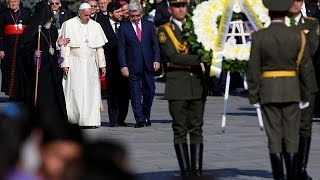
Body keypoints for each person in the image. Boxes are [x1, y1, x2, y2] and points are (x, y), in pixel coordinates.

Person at [247, 0, 317, 179]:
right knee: (292, 136)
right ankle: (293, 175)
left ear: (269, 13)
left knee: (275, 137)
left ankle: (279, 176)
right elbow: (306, 66)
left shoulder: (260, 36)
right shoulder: (297, 35)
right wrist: (308, 90)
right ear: (286, 12)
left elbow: (254, 69)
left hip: (269, 91)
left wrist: (253, 94)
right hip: (293, 90)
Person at [157, 0, 206, 176]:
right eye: (177, 6)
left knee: (197, 128)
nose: (181, 9)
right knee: (180, 128)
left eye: (183, 5)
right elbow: (173, 56)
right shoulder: (164, 30)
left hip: (197, 85)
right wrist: (198, 61)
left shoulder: (197, 27)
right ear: (170, 9)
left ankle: (197, 171)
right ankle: (186, 171)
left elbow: (205, 48)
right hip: (177, 86)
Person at [59, 3, 107, 128]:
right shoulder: (68, 24)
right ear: (79, 13)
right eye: (85, 15)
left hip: (91, 64)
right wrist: (65, 64)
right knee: (76, 90)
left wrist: (102, 65)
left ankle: (90, 120)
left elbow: (99, 48)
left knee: (91, 92)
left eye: (90, 14)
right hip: (75, 63)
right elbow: (65, 47)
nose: (88, 17)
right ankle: (75, 119)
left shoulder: (96, 26)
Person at [287, 0, 319, 179]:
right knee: (288, 128)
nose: (295, 4)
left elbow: (312, 48)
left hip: (306, 82)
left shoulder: (311, 23)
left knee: (305, 127)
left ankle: (302, 169)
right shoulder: (280, 22)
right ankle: (291, 167)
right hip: (285, 83)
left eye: (298, 0)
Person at [23, 5, 69, 126]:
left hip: (52, 67)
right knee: (43, 93)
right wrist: (34, 53)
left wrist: (58, 43)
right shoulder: (33, 31)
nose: (52, 20)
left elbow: (52, 46)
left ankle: (57, 117)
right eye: (49, 17)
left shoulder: (52, 30)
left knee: (55, 93)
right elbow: (24, 50)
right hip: (40, 70)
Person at [118, 1, 160, 128]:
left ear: (141, 13)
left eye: (137, 15)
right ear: (129, 15)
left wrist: (156, 59)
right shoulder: (124, 27)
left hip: (148, 64)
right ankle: (140, 119)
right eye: (132, 16)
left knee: (150, 91)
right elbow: (121, 48)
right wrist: (123, 65)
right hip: (132, 65)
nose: (135, 18)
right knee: (135, 93)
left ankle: (146, 115)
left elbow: (154, 45)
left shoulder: (149, 25)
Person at [97, 2, 130, 127]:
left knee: (125, 93)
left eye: (121, 11)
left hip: (125, 65)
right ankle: (113, 119)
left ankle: (122, 118)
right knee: (112, 93)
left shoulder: (126, 24)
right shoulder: (102, 25)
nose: (121, 14)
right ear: (110, 13)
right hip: (110, 64)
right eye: (118, 12)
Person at [0, 0, 31, 101]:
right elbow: (0, 34)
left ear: (18, 2)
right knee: (9, 70)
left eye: (15, 1)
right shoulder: (4, 14)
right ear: (8, 3)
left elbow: (30, 29)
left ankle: (22, 93)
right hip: (8, 46)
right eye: (11, 1)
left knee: (22, 69)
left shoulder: (26, 12)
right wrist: (1, 49)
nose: (13, 3)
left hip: (23, 46)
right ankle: (12, 93)